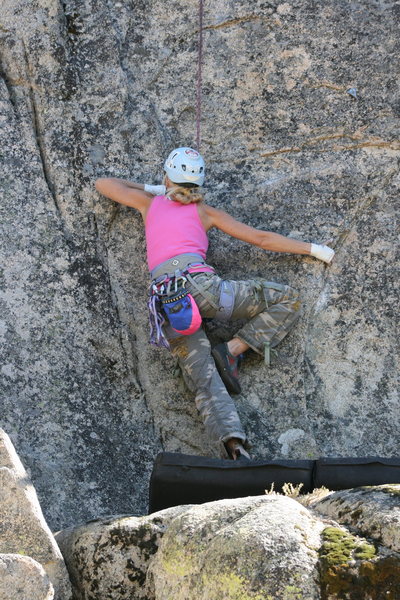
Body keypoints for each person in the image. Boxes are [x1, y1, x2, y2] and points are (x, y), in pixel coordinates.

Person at [95, 147, 334, 461]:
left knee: (203, 377)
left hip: (168, 302)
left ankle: (234, 447)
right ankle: (233, 350)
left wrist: (154, 188)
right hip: (203, 289)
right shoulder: (206, 212)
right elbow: (261, 238)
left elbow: (104, 183)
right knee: (286, 299)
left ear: (166, 175)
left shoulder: (149, 203)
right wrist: (315, 249)